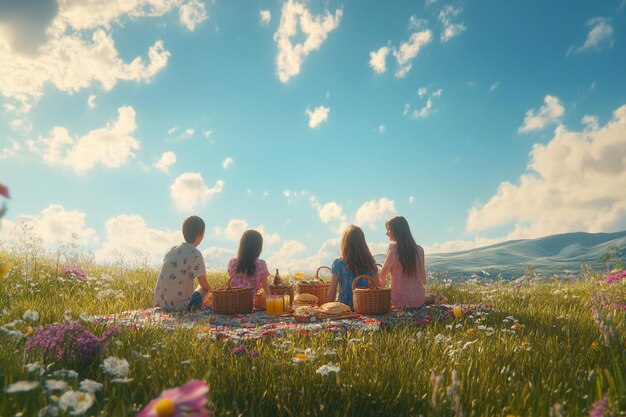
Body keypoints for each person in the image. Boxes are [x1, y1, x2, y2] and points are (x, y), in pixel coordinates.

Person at [153, 215, 211, 311]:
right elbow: (203, 283)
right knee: (201, 288)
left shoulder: (171, 250)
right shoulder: (195, 254)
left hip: (161, 303)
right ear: (201, 236)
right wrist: (211, 291)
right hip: (182, 307)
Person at [378, 216, 427, 308]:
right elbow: (423, 279)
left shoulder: (393, 249)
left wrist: (379, 295)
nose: (386, 233)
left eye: (388, 229)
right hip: (419, 300)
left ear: (396, 230)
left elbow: (382, 275)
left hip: (399, 301)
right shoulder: (419, 250)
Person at [326, 225, 379, 309]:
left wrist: (325, 308)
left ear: (345, 243)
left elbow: (332, 293)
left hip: (344, 311)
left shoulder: (338, 264)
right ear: (363, 243)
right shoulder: (370, 264)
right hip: (366, 309)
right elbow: (378, 290)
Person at [227, 230, 272, 308]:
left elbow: (230, 283)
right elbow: (266, 289)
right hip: (247, 305)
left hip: (230, 303)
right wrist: (272, 303)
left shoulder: (232, 262)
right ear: (258, 248)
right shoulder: (261, 264)